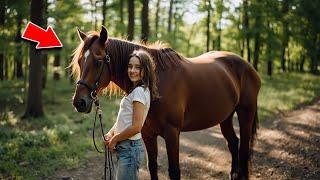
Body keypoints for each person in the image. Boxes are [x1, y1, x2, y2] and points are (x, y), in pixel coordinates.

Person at [104, 49, 159, 180]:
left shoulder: (139, 92)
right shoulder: (134, 90)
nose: (132, 70)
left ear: (145, 70)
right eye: (130, 66)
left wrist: (115, 139)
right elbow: (124, 117)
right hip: (126, 147)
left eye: (137, 67)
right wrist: (111, 133)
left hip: (130, 148)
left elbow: (136, 127)